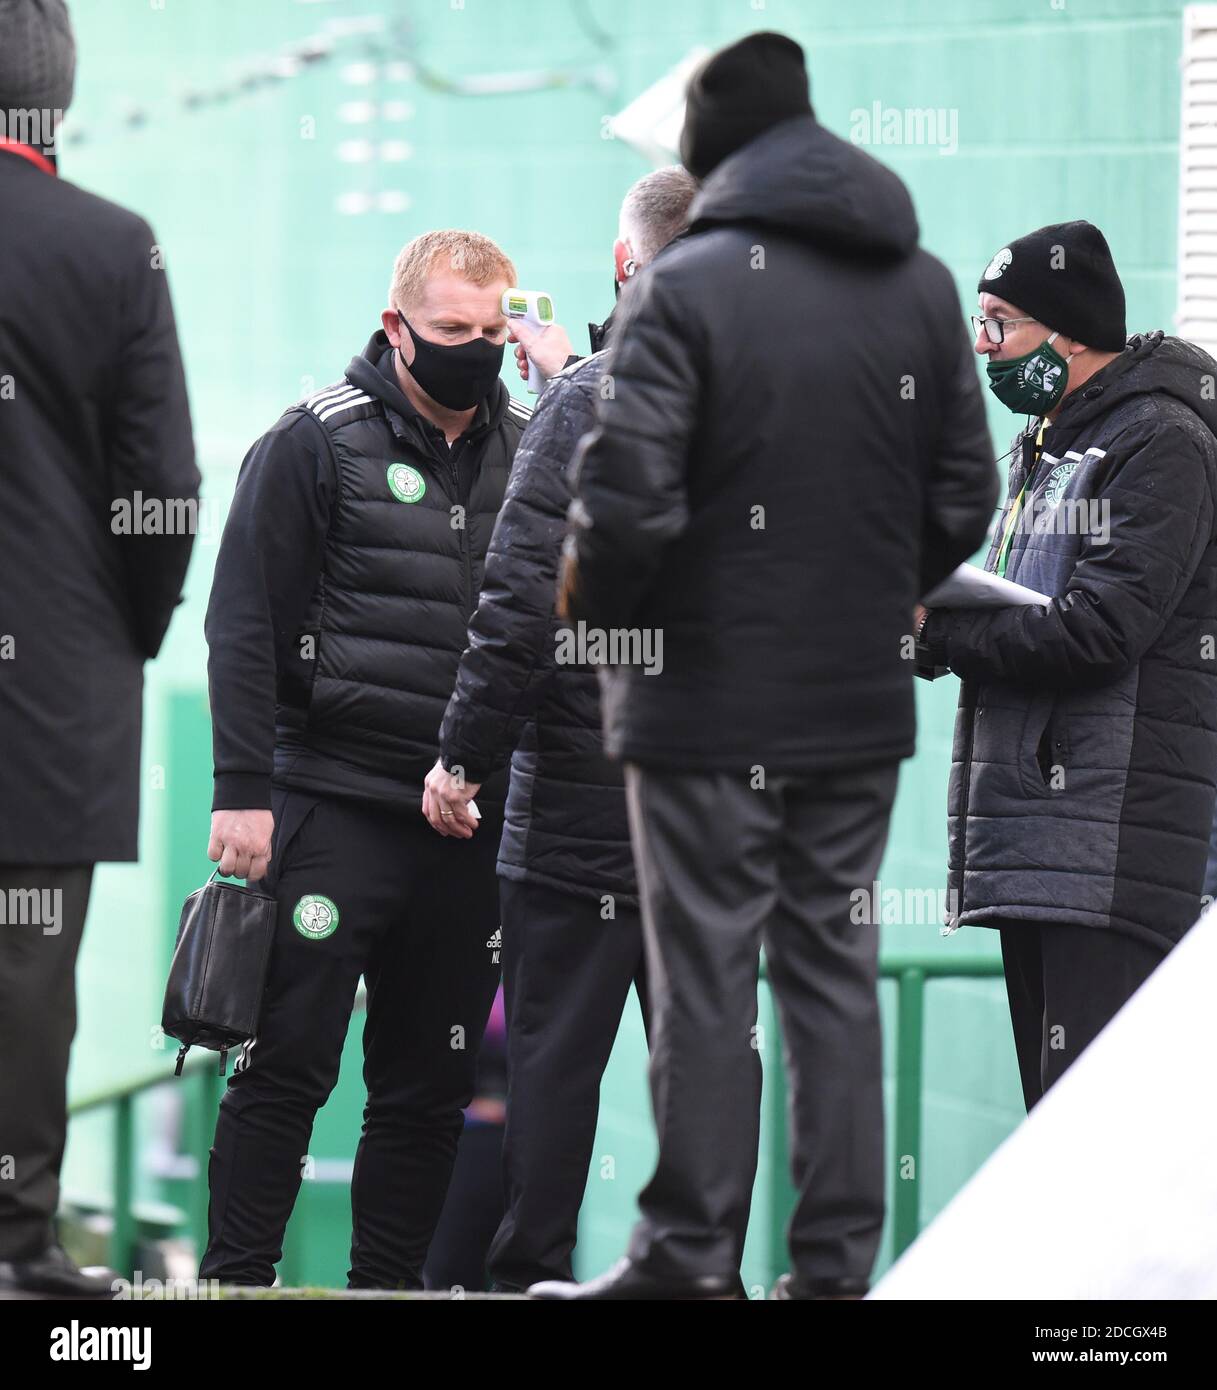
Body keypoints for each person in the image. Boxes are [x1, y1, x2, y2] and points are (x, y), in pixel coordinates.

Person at [532, 31, 996, 1301]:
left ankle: (683, 1261)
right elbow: (966, 492)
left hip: (695, 705)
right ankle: (833, 1274)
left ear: (710, 153)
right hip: (852, 702)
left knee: (703, 982)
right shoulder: (915, 285)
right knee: (830, 981)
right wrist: (863, 587)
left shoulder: (685, 287)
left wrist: (597, 615)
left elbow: (621, 507)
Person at [200, 230, 531, 1289]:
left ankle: (384, 1291)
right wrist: (242, 796)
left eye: (489, 332)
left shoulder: (529, 449)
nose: (472, 351)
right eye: (448, 332)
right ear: (396, 328)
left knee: (425, 1088)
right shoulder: (311, 442)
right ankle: (236, 1279)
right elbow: (244, 625)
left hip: (466, 826)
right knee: (286, 1066)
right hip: (332, 806)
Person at [423, 166, 698, 1290]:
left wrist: (460, 756)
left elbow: (521, 601)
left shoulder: (586, 404)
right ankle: (701, 1268)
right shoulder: (767, 402)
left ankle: (526, 1273)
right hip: (718, 806)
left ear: (626, 263)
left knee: (551, 1065)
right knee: (704, 1059)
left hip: (582, 805)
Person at [914, 221, 1217, 1111]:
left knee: (1093, 1136)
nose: (982, 346)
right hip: (1042, 841)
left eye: (999, 322)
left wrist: (934, 633)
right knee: (1052, 1127)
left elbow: (1097, 631)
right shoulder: (1051, 441)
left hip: (1111, 845)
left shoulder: (1158, 443)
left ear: (1069, 332)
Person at [0, 0, 198, 1296]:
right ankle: (18, 1240)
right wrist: (116, 630)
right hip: (53, 685)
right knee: (26, 966)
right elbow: (164, 489)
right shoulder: (113, 246)